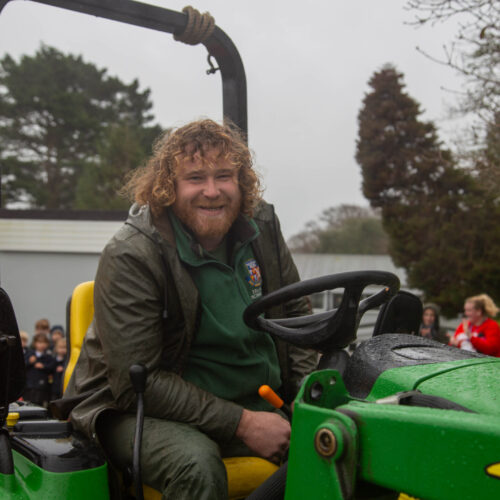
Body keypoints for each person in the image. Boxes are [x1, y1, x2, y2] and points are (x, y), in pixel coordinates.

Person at [64, 119, 316, 499]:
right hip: (137, 410)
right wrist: (243, 423)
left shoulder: (262, 225)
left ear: (241, 181)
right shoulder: (133, 253)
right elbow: (138, 384)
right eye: (196, 178)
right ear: (169, 187)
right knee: (194, 465)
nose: (212, 192)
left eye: (224, 176)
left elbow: (295, 313)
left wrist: (307, 396)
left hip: (257, 401)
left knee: (348, 443)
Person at [24, 332, 55, 406]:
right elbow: (23, 366)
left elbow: (52, 367)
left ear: (47, 344)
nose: (42, 345)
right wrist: (30, 362)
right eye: (40, 342)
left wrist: (43, 366)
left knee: (39, 403)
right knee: (28, 403)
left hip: (42, 385)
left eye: (44, 342)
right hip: (30, 385)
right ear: (35, 343)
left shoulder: (48, 356)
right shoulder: (29, 354)